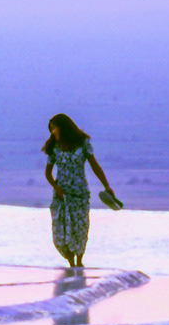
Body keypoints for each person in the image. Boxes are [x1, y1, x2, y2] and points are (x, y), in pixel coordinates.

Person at [43, 113, 115, 268]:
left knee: (80, 227)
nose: (52, 133)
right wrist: (56, 187)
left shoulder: (83, 143)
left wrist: (107, 186)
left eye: (54, 129)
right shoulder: (53, 147)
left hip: (80, 193)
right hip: (61, 195)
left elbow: (94, 165)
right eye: (51, 130)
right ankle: (71, 263)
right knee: (60, 230)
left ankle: (79, 262)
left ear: (63, 127)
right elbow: (48, 173)